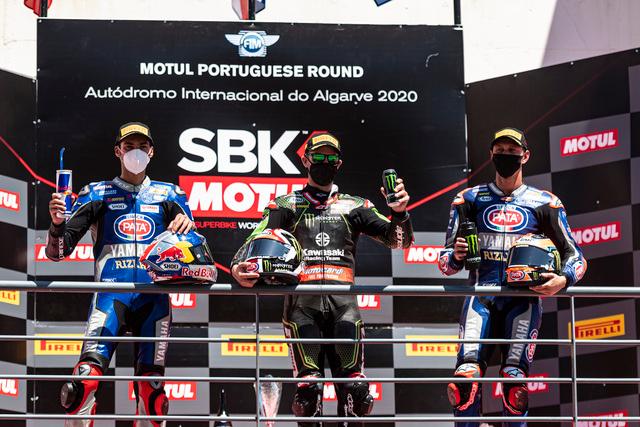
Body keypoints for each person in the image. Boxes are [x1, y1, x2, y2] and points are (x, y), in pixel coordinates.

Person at [231, 132, 414, 426]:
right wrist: (237, 268)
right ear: (305, 160)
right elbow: (254, 242)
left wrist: (399, 212)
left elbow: (399, 242)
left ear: (339, 164)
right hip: (302, 309)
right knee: (308, 394)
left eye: (331, 158)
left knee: (356, 392)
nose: (324, 162)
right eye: (318, 156)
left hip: (345, 308)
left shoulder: (355, 206)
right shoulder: (286, 205)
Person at [46, 122, 195, 427]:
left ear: (151, 152)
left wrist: (188, 232)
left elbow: (193, 253)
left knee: (153, 396)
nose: (135, 152)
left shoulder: (171, 194)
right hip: (109, 297)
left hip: (154, 301)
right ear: (118, 151)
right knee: (82, 384)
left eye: (142, 146)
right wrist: (57, 223)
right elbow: (58, 252)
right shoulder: (96, 193)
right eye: (129, 147)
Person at [438, 127, 587, 427]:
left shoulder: (545, 203)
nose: (506, 156)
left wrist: (562, 280)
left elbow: (577, 257)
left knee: (515, 387)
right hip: (480, 297)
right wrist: (456, 256)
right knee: (464, 383)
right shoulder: (468, 199)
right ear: (491, 154)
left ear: (525, 156)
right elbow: (445, 264)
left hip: (523, 302)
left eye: (512, 151)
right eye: (500, 151)